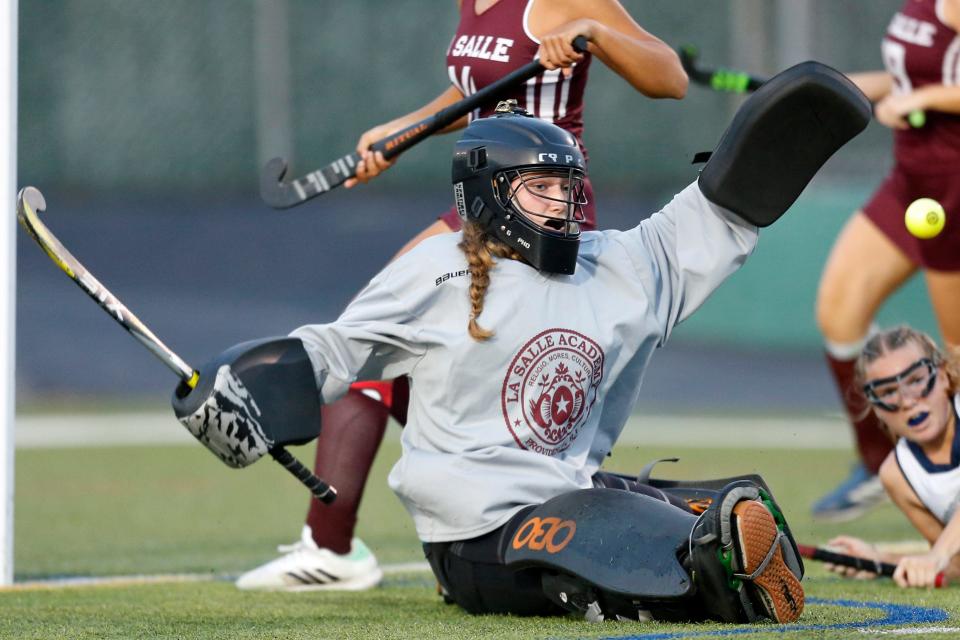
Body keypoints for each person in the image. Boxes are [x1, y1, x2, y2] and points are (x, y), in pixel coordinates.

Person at [181, 60, 871, 621]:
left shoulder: (615, 263)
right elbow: (330, 353)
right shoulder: (431, 271)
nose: (565, 205)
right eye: (542, 189)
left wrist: (787, 131)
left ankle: (707, 543)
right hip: (475, 537)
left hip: (568, 491)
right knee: (620, 530)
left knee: (701, 501)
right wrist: (240, 391)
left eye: (570, 189)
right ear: (487, 194)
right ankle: (707, 571)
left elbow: (715, 215)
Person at [236, 0, 688, 591]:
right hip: (480, 211)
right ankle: (454, 507)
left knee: (374, 346)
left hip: (539, 215)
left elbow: (671, 77)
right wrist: (405, 130)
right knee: (384, 345)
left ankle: (331, 547)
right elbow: (477, 91)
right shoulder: (471, 4)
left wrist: (596, 33)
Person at [811, 0, 960, 522]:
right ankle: (880, 463)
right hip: (910, 182)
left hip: (954, 185)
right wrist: (837, 85)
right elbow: (912, 71)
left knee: (957, 360)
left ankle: (948, 496)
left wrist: (927, 97)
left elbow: (930, 85)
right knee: (839, 314)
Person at [822, 325, 960, 588]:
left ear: (942, 374)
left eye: (916, 380)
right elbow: (955, 564)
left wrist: (937, 555)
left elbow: (940, 555)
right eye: (887, 392)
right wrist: (878, 559)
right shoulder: (897, 474)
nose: (907, 401)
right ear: (876, 409)